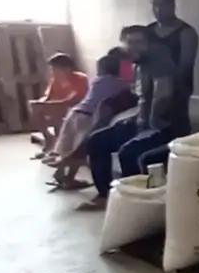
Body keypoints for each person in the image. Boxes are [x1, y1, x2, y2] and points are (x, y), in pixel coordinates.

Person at [79, 25, 191, 211]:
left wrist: (145, 124)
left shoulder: (160, 60)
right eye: (129, 42)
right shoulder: (135, 63)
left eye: (139, 42)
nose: (134, 47)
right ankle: (105, 196)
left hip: (167, 124)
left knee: (129, 152)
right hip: (143, 119)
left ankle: (134, 204)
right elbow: (137, 91)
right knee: (97, 140)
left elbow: (162, 95)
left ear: (149, 43)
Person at [47, 54, 131, 190]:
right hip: (88, 116)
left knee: (68, 146)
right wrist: (127, 65)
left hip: (75, 112)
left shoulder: (97, 80)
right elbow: (130, 84)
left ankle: (61, 172)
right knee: (81, 149)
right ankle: (66, 173)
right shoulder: (118, 82)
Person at [29, 53, 89, 159]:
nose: (53, 72)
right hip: (59, 105)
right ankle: (48, 139)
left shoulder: (81, 79)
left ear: (67, 68)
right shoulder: (55, 79)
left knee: (59, 109)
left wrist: (51, 104)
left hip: (76, 108)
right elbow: (48, 96)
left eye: (55, 69)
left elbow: (74, 99)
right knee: (35, 108)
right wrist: (40, 102)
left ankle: (58, 148)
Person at [147, 0, 199, 94]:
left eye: (162, 5)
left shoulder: (186, 33)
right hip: (149, 92)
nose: (158, 10)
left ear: (172, 5)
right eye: (154, 5)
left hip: (177, 94)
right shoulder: (147, 31)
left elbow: (184, 68)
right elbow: (134, 60)